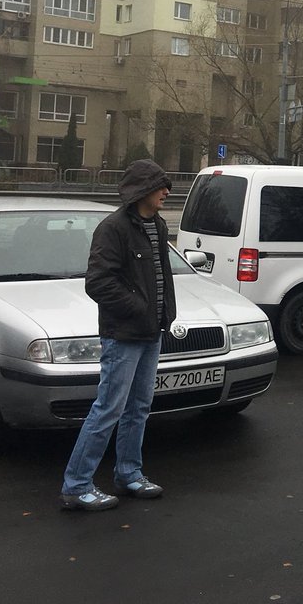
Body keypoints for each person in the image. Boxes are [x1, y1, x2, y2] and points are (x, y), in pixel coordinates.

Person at [60, 160, 176, 512]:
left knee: (139, 407)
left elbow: (160, 277)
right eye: (160, 187)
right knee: (108, 408)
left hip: (151, 332)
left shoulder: (157, 225)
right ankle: (76, 485)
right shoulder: (113, 228)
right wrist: (140, 307)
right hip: (124, 334)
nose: (166, 192)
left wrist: (163, 314)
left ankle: (129, 474)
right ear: (143, 190)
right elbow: (98, 282)